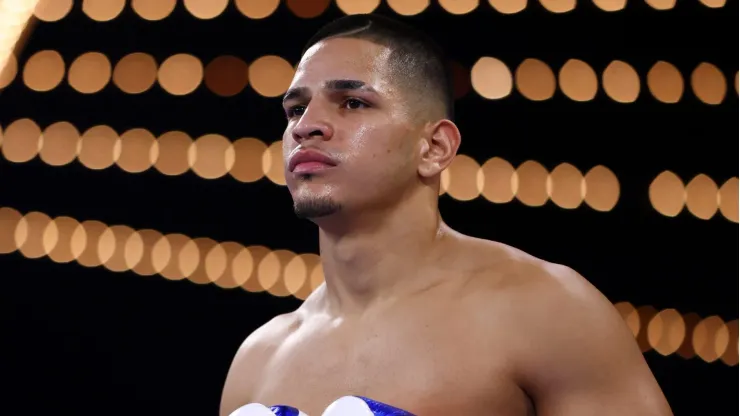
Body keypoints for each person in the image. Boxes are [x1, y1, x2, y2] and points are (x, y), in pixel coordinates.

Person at [220, 13, 673, 416]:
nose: (305, 126)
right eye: (295, 109)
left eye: (353, 103)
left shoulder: (541, 311)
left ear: (434, 148)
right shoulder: (257, 359)